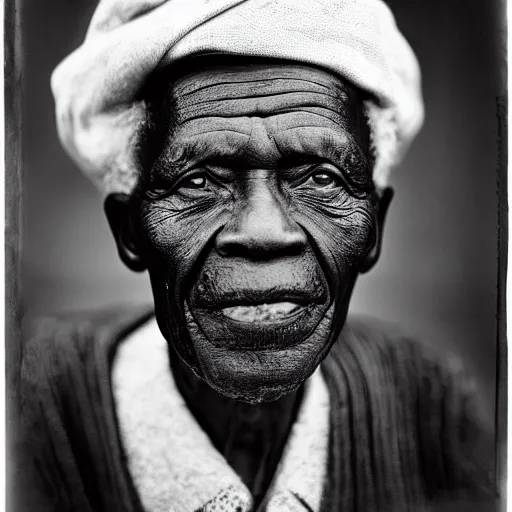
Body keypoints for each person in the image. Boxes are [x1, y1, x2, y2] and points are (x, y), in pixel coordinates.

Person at [20, 1, 497, 511]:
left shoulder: (432, 405)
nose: (264, 233)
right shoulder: (28, 413)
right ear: (130, 231)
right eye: (199, 180)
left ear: (374, 227)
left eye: (320, 177)